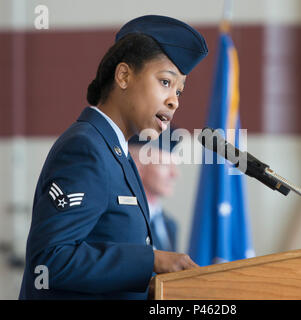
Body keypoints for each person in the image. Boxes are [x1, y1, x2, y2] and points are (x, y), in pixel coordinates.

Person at [19, 15, 208, 299]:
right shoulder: (86, 148)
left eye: (179, 91)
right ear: (123, 76)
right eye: (166, 82)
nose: (175, 100)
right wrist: (152, 261)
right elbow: (50, 262)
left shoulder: (115, 151)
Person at [128, 127, 181, 252]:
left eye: (174, 165)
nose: (174, 174)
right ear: (137, 167)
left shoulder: (169, 224)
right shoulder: (121, 220)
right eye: (164, 165)